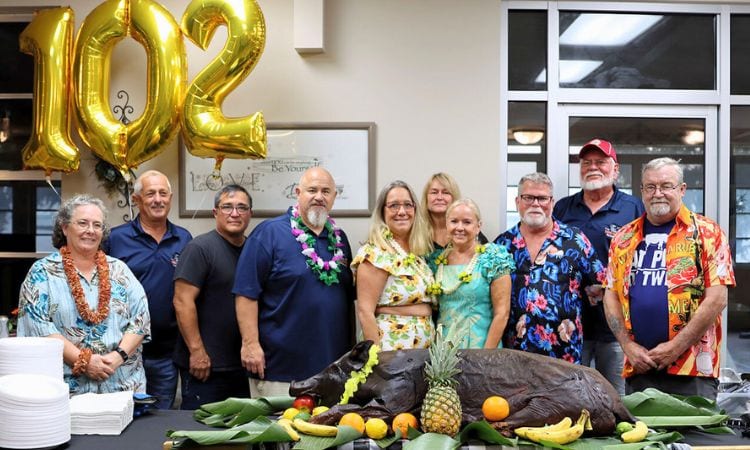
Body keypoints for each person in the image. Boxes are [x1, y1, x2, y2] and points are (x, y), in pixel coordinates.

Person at [603, 157, 735, 400]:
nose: (658, 193)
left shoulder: (708, 233)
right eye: (650, 187)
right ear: (641, 191)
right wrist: (627, 346)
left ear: (682, 190)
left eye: (666, 186)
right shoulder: (623, 237)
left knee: (696, 438)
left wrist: (675, 348)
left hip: (693, 369)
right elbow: (610, 295)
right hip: (640, 366)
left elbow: (717, 299)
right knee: (644, 437)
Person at [233, 167, 355, 398]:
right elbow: (246, 294)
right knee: (278, 433)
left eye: (326, 191)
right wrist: (250, 344)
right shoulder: (269, 233)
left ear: (333, 198)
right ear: (298, 193)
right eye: (312, 190)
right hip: (281, 370)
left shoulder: (340, 240)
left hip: (333, 371)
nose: (319, 196)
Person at [18, 194, 150, 394]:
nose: (90, 231)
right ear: (64, 227)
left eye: (97, 225)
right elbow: (38, 327)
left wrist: (118, 356)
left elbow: (141, 318)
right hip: (64, 390)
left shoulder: (120, 270)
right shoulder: (42, 273)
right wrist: (84, 361)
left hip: (123, 386)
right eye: (82, 223)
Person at [553, 138, 644, 394]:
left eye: (601, 162)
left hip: (615, 328)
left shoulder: (633, 208)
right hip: (571, 325)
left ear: (615, 169)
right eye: (586, 162)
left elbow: (643, 261)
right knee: (571, 394)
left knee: (616, 396)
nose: (593, 167)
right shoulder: (562, 208)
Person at [494, 172, 606, 363]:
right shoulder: (502, 245)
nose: (535, 204)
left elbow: (600, 288)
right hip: (514, 354)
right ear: (517, 201)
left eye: (542, 198)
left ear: (552, 202)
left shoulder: (575, 240)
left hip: (564, 355)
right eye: (528, 197)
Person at [104, 170, 192, 409]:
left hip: (166, 353)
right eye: (150, 193)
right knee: (124, 417)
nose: (157, 199)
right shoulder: (115, 239)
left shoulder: (184, 239)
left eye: (163, 193)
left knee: (159, 419)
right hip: (122, 352)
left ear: (170, 198)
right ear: (137, 200)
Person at [172, 185, 253, 409]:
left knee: (239, 437)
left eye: (241, 208)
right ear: (215, 212)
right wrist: (197, 352)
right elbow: (182, 301)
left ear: (250, 214)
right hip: (206, 367)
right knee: (202, 435)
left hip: (242, 366)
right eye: (227, 207)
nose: (235, 213)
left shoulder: (253, 250)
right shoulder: (199, 248)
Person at [352, 180, 436, 350]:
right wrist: (376, 361)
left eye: (407, 205)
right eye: (394, 205)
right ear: (383, 212)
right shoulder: (376, 253)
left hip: (422, 350)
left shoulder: (417, 253)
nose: (402, 212)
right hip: (390, 350)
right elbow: (365, 312)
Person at [428, 199, 514, 348]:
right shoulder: (437, 261)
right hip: (443, 352)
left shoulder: (493, 258)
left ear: (478, 226)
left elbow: (502, 313)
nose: (459, 227)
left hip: (482, 349)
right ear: (446, 224)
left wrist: (485, 357)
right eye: (454, 221)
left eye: (467, 222)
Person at [420, 173, 488, 250]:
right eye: (434, 192)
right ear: (426, 198)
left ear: (454, 198)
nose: (439, 197)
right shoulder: (416, 232)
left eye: (446, 192)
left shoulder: (470, 232)